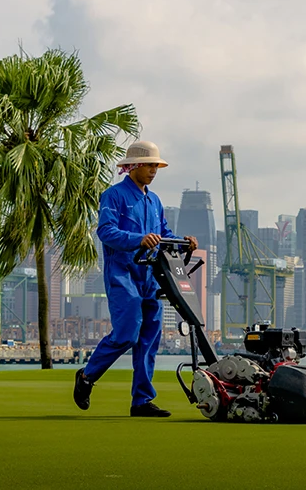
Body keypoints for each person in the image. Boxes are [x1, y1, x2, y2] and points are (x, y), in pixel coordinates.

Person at [73, 140, 197, 417]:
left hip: (151, 276)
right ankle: (86, 376)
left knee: (150, 339)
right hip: (122, 274)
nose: (154, 170)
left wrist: (183, 242)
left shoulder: (154, 201)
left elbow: (163, 234)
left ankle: (141, 401)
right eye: (150, 165)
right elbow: (106, 232)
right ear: (135, 165)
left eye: (157, 166)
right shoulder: (114, 196)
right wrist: (138, 239)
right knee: (127, 333)